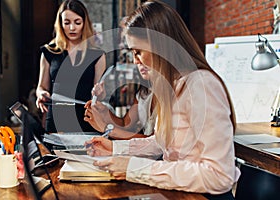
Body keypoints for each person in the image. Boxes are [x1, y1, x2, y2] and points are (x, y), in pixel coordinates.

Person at [84, 0, 240, 199]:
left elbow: (219, 176)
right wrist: (115, 147)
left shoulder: (201, 85)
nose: (135, 61)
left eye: (138, 52)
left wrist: (134, 168)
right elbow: (161, 143)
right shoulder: (169, 87)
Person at [36, 0, 106, 133]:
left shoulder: (97, 55)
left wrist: (100, 93)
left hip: (86, 120)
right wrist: (41, 94)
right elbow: (41, 87)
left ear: (84, 23)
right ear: (60, 24)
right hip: (56, 121)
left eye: (77, 22)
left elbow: (99, 94)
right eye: (67, 23)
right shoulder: (49, 52)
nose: (72, 28)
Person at [84, 66, 156, 139]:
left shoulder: (166, 94)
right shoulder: (143, 93)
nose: (136, 62)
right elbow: (125, 124)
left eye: (140, 54)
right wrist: (105, 112)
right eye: (135, 56)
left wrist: (106, 129)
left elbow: (154, 141)